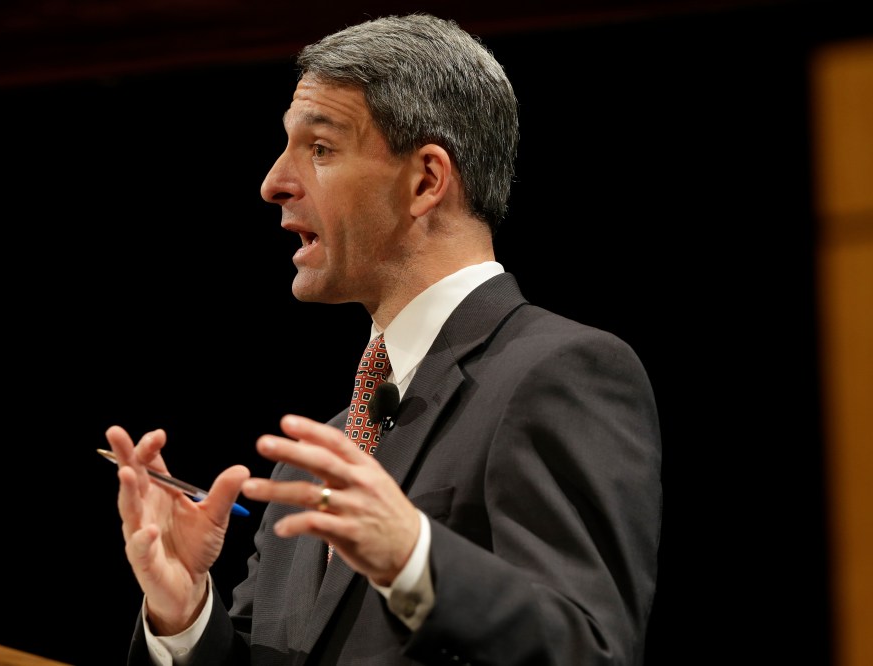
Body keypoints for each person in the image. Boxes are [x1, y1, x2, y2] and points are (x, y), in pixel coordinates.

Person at [104, 12, 662, 666]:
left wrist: (413, 557)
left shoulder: (558, 373)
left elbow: (591, 652)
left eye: (320, 148)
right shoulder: (313, 461)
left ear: (426, 180)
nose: (274, 183)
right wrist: (185, 617)